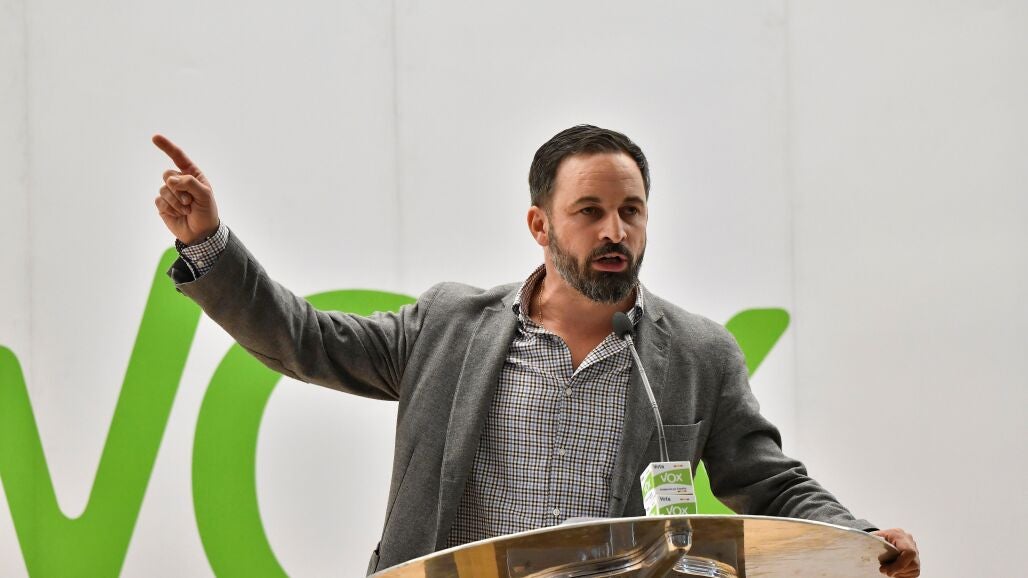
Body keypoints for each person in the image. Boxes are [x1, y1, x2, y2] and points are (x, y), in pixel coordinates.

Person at [152, 125, 920, 577]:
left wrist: (861, 543)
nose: (614, 231)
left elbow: (772, 486)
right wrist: (208, 242)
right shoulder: (449, 327)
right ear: (540, 225)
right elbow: (305, 341)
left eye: (631, 211)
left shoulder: (696, 355)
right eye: (589, 211)